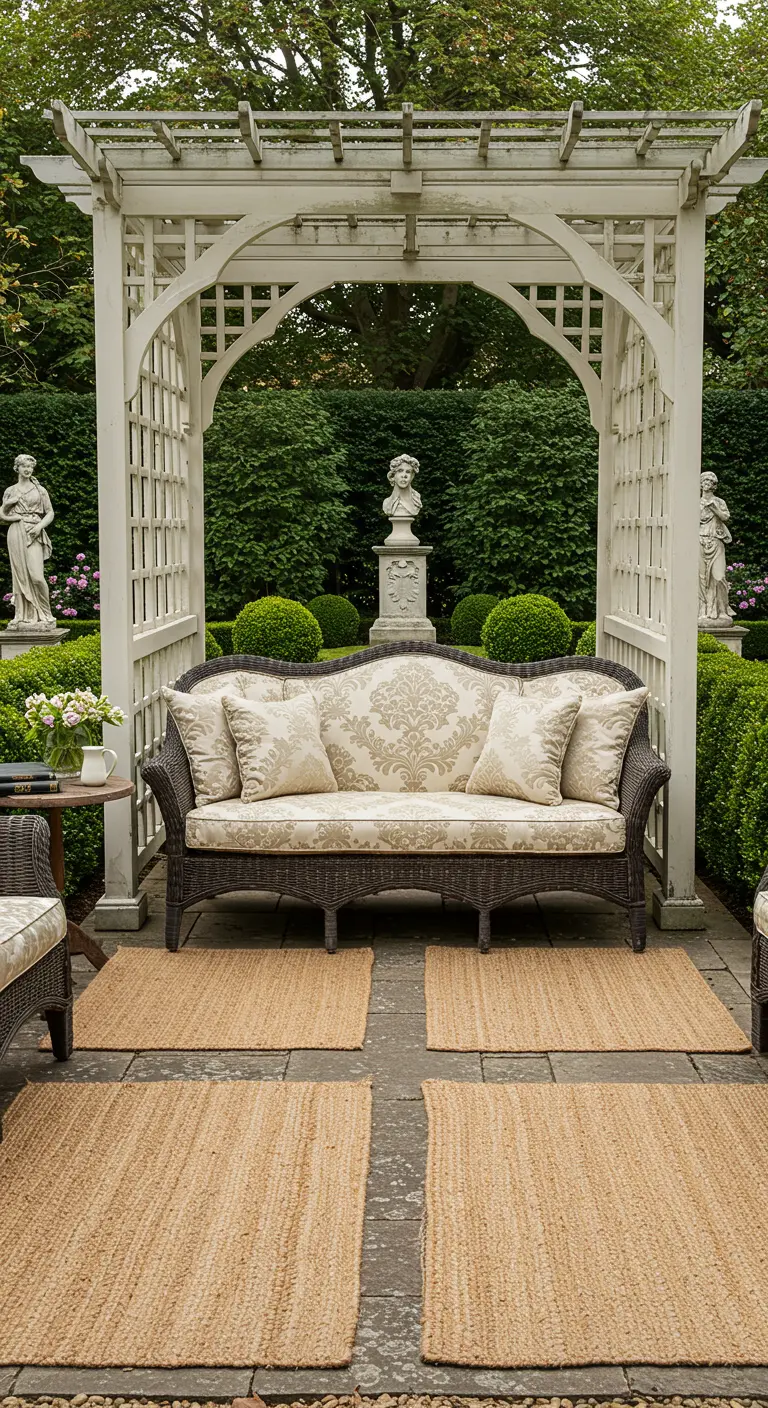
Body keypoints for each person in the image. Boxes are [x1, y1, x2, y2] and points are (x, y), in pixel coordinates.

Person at [0, 454, 56, 628]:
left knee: (36, 576)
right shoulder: (10, 491)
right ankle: (21, 615)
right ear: (17, 468)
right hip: (16, 532)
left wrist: (39, 526)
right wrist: (10, 506)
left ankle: (46, 614)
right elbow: (2, 516)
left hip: (34, 532)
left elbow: (50, 513)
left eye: (30, 467)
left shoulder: (40, 490)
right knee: (19, 576)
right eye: (24, 466)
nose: (28, 469)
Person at [698, 471, 734, 624]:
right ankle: (702, 610)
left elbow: (726, 517)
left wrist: (714, 509)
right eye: (704, 481)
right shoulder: (696, 502)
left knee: (719, 577)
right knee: (701, 579)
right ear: (701, 484)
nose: (707, 483)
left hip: (716, 541)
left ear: (714, 485)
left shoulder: (719, 502)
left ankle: (722, 611)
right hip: (699, 540)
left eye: (710, 481)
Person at [382, 453, 423, 521]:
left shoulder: (416, 500)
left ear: (412, 476)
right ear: (393, 476)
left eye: (408, 472)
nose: (404, 475)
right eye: (400, 471)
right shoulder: (387, 503)